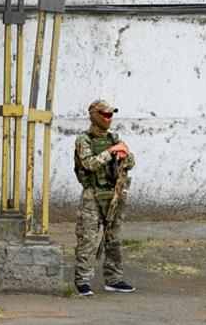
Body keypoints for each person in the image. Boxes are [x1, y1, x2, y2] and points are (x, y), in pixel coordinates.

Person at [73, 99, 135, 296]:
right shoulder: (84, 139)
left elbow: (130, 161)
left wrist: (124, 155)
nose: (109, 118)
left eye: (111, 115)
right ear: (95, 115)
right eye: (105, 114)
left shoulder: (114, 137)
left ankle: (114, 278)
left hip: (113, 194)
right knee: (88, 239)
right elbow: (89, 164)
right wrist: (110, 152)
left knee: (114, 238)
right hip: (92, 194)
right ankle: (82, 280)